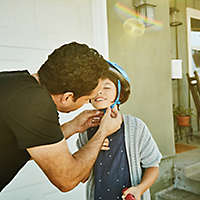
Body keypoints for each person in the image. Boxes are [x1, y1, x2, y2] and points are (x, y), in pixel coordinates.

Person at [0, 42, 122, 192]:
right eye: (87, 99)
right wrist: (103, 132)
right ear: (67, 97)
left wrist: (73, 126)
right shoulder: (36, 105)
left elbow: (36, 148)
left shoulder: (16, 83)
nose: (87, 104)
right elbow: (67, 179)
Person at [77, 61, 162, 200]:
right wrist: (90, 149)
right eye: (95, 87)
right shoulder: (85, 130)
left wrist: (139, 189)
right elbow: (83, 177)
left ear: (120, 94)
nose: (99, 92)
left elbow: (153, 165)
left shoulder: (136, 127)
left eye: (107, 87)